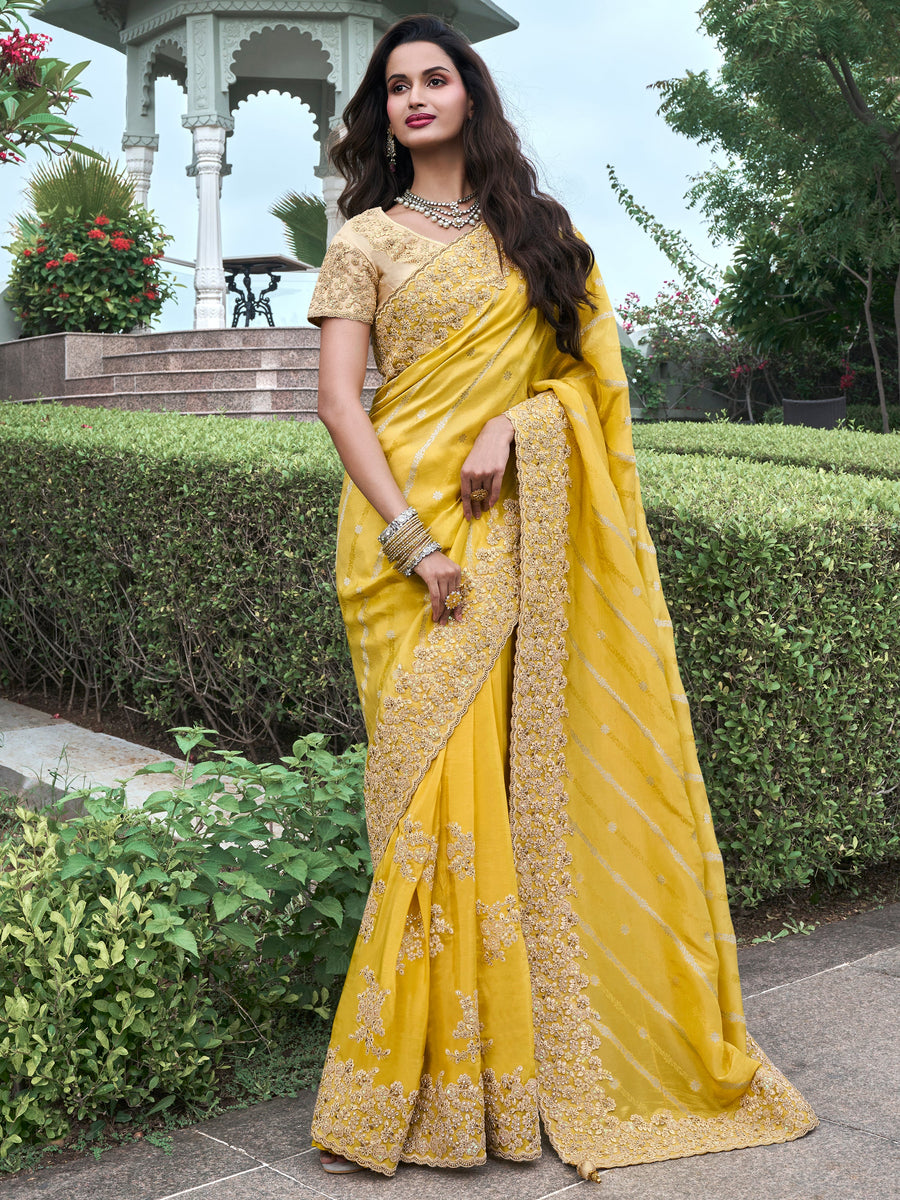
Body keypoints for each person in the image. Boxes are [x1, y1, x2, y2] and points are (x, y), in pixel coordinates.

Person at [306, 13, 817, 1181]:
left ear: (472, 98)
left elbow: (584, 393)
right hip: (400, 552)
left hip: (509, 535)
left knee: (489, 803)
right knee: (428, 806)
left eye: (437, 79)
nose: (417, 98)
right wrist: (412, 543)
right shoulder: (366, 243)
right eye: (397, 87)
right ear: (381, 114)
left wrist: (512, 422)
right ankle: (417, 1096)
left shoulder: (543, 236)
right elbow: (341, 404)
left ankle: (497, 1089)